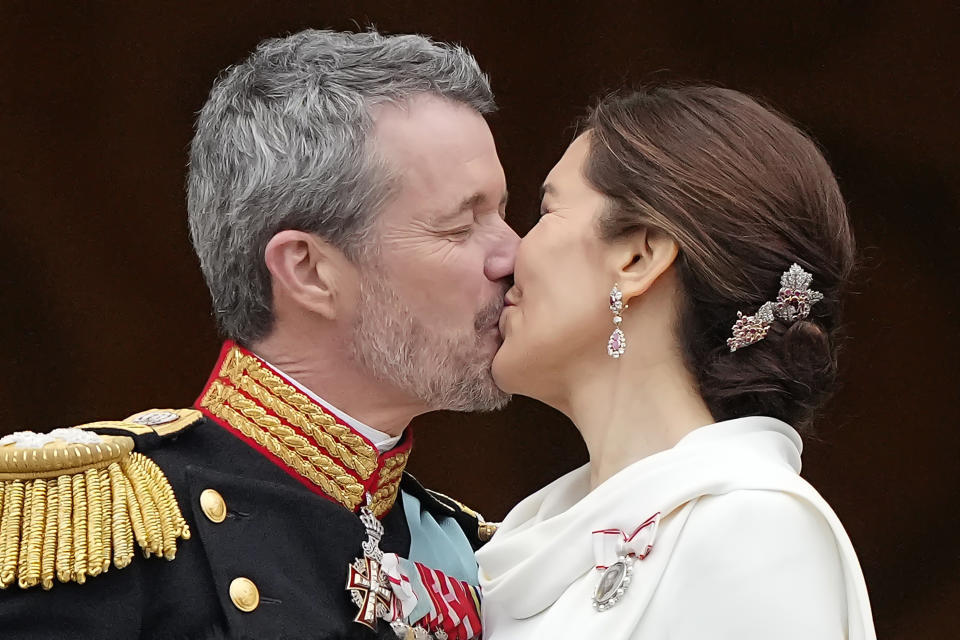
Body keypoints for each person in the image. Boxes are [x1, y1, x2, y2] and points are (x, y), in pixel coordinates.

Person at [0, 29, 517, 639]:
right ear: (308, 270)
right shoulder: (96, 526)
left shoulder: (472, 549)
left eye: (503, 215)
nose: (514, 255)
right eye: (460, 226)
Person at [477, 85, 877, 639]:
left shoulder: (755, 528)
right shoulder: (525, 539)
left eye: (545, 212)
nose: (506, 256)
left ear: (638, 257)